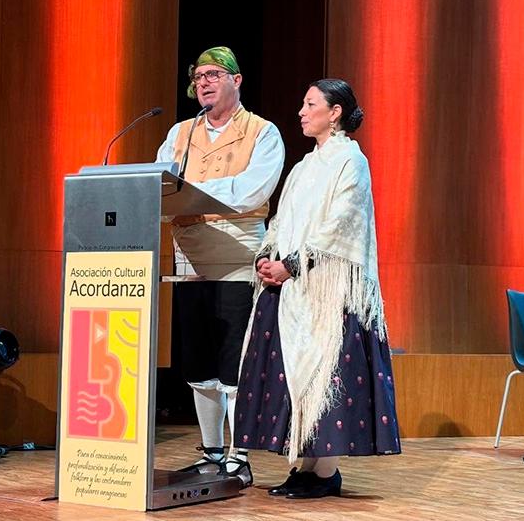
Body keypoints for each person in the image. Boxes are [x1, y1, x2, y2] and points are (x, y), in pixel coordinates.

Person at [234, 79, 400, 499]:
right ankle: (305, 467)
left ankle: (324, 471)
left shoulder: (350, 160)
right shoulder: (304, 166)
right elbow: (282, 220)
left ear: (335, 111)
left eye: (310, 104)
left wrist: (293, 265)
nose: (302, 112)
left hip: (326, 291)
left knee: (325, 371)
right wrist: (266, 257)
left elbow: (343, 223)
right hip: (291, 290)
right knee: (294, 374)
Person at [155, 46, 284, 487]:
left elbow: (252, 191)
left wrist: (197, 191)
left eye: (214, 74)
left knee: (233, 358)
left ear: (237, 80)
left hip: (236, 256)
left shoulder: (262, 132)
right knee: (197, 358)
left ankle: (239, 453)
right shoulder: (179, 133)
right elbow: (159, 184)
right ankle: (211, 450)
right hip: (188, 256)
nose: (204, 82)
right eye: (199, 76)